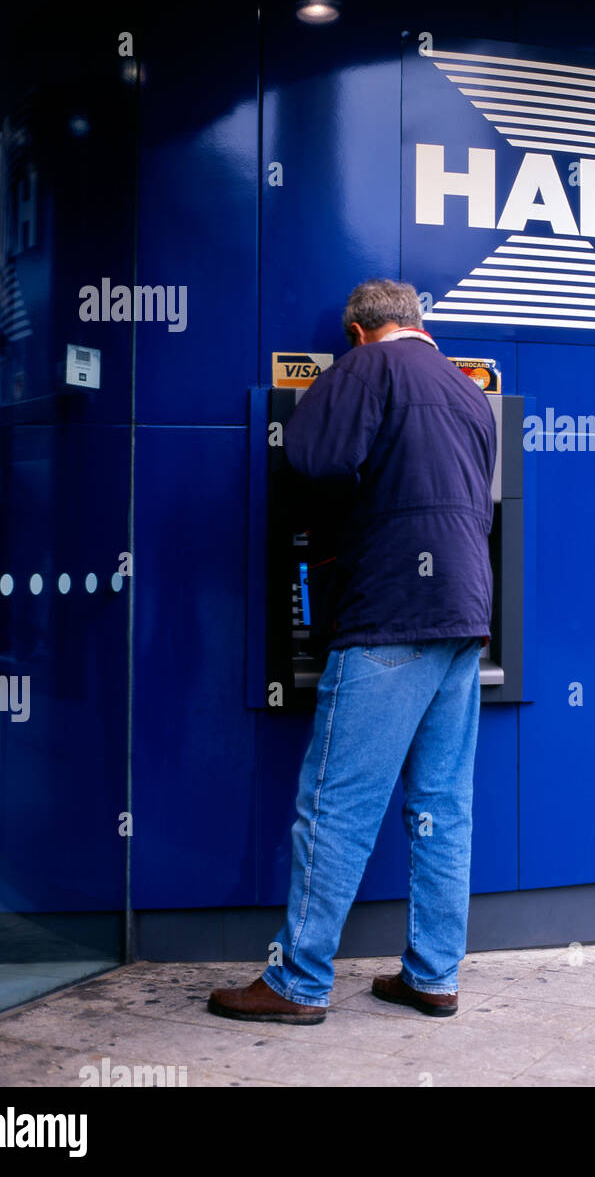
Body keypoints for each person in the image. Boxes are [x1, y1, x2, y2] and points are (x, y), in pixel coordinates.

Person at [208, 279, 496, 1024]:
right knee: (442, 807)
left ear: (360, 332)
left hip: (391, 611)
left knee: (336, 804)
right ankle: (433, 976)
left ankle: (297, 982)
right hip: (464, 616)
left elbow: (311, 459)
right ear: (415, 323)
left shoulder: (369, 366)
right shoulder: (468, 390)